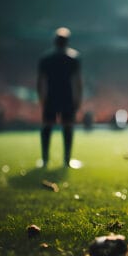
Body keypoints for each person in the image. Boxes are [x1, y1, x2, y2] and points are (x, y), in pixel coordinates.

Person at [37, 28, 82, 168]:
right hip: (67, 96)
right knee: (67, 127)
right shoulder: (73, 58)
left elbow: (40, 81)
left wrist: (41, 98)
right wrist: (78, 98)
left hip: (51, 95)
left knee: (47, 126)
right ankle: (67, 160)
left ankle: (44, 160)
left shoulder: (46, 58)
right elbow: (77, 81)